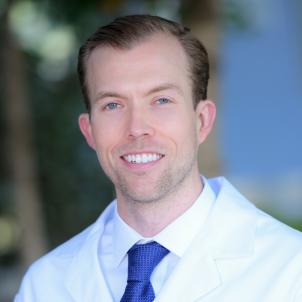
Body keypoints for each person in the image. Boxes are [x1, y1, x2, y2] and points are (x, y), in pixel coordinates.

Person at [15, 15, 302, 302]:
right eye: (113, 104)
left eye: (161, 100)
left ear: (201, 121)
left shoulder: (290, 269)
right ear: (89, 131)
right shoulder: (45, 284)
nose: (137, 127)